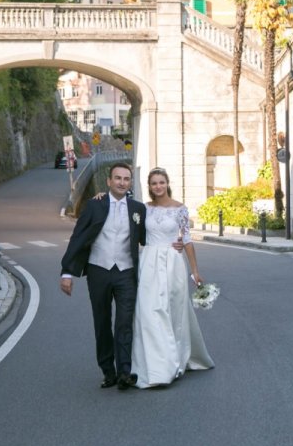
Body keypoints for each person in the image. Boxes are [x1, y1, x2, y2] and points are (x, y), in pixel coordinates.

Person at [59, 162, 146, 391]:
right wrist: (67, 272)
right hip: (98, 270)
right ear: (109, 181)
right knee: (102, 321)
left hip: (126, 272)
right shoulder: (94, 205)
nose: (121, 182)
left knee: (124, 322)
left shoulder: (138, 209)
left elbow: (148, 238)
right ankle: (108, 372)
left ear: (130, 183)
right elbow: (77, 237)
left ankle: (125, 371)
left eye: (126, 179)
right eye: (117, 178)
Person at [132, 167, 214, 388]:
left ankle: (175, 359)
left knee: (173, 311)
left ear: (167, 183)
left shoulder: (180, 209)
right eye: (154, 183)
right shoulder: (144, 209)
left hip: (173, 263)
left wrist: (194, 271)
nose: (158, 186)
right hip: (149, 262)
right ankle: (157, 364)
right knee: (149, 311)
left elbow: (186, 239)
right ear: (149, 187)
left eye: (161, 182)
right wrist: (101, 196)